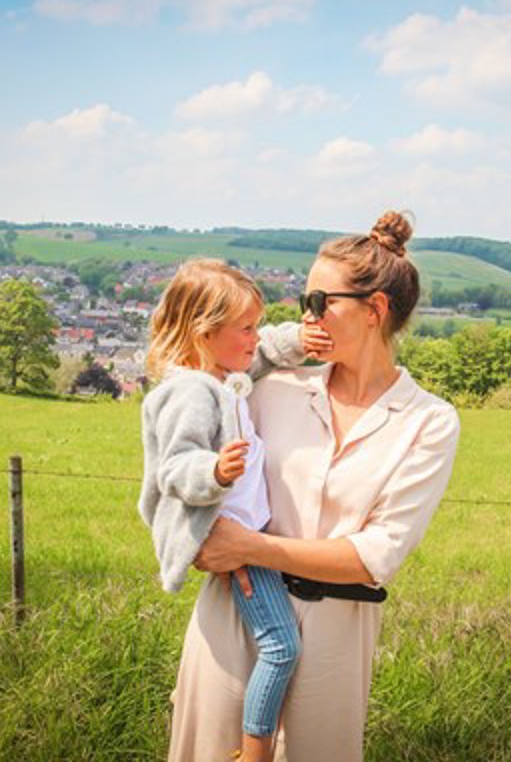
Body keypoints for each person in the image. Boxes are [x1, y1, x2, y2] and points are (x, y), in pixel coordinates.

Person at [167, 212, 461, 762]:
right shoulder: (271, 389)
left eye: (320, 302)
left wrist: (250, 546)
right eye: (306, 301)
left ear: (374, 310)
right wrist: (193, 531)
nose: (308, 316)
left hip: (335, 640)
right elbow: (185, 430)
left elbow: (377, 555)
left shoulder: (429, 421)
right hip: (235, 615)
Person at [138, 259, 333, 762]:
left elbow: (267, 351)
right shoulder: (191, 392)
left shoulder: (221, 375)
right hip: (235, 540)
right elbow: (174, 466)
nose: (255, 337)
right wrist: (215, 472)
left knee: (276, 644)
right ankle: (254, 751)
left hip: (243, 532)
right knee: (281, 647)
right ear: (205, 332)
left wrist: (303, 338)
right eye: (244, 328)